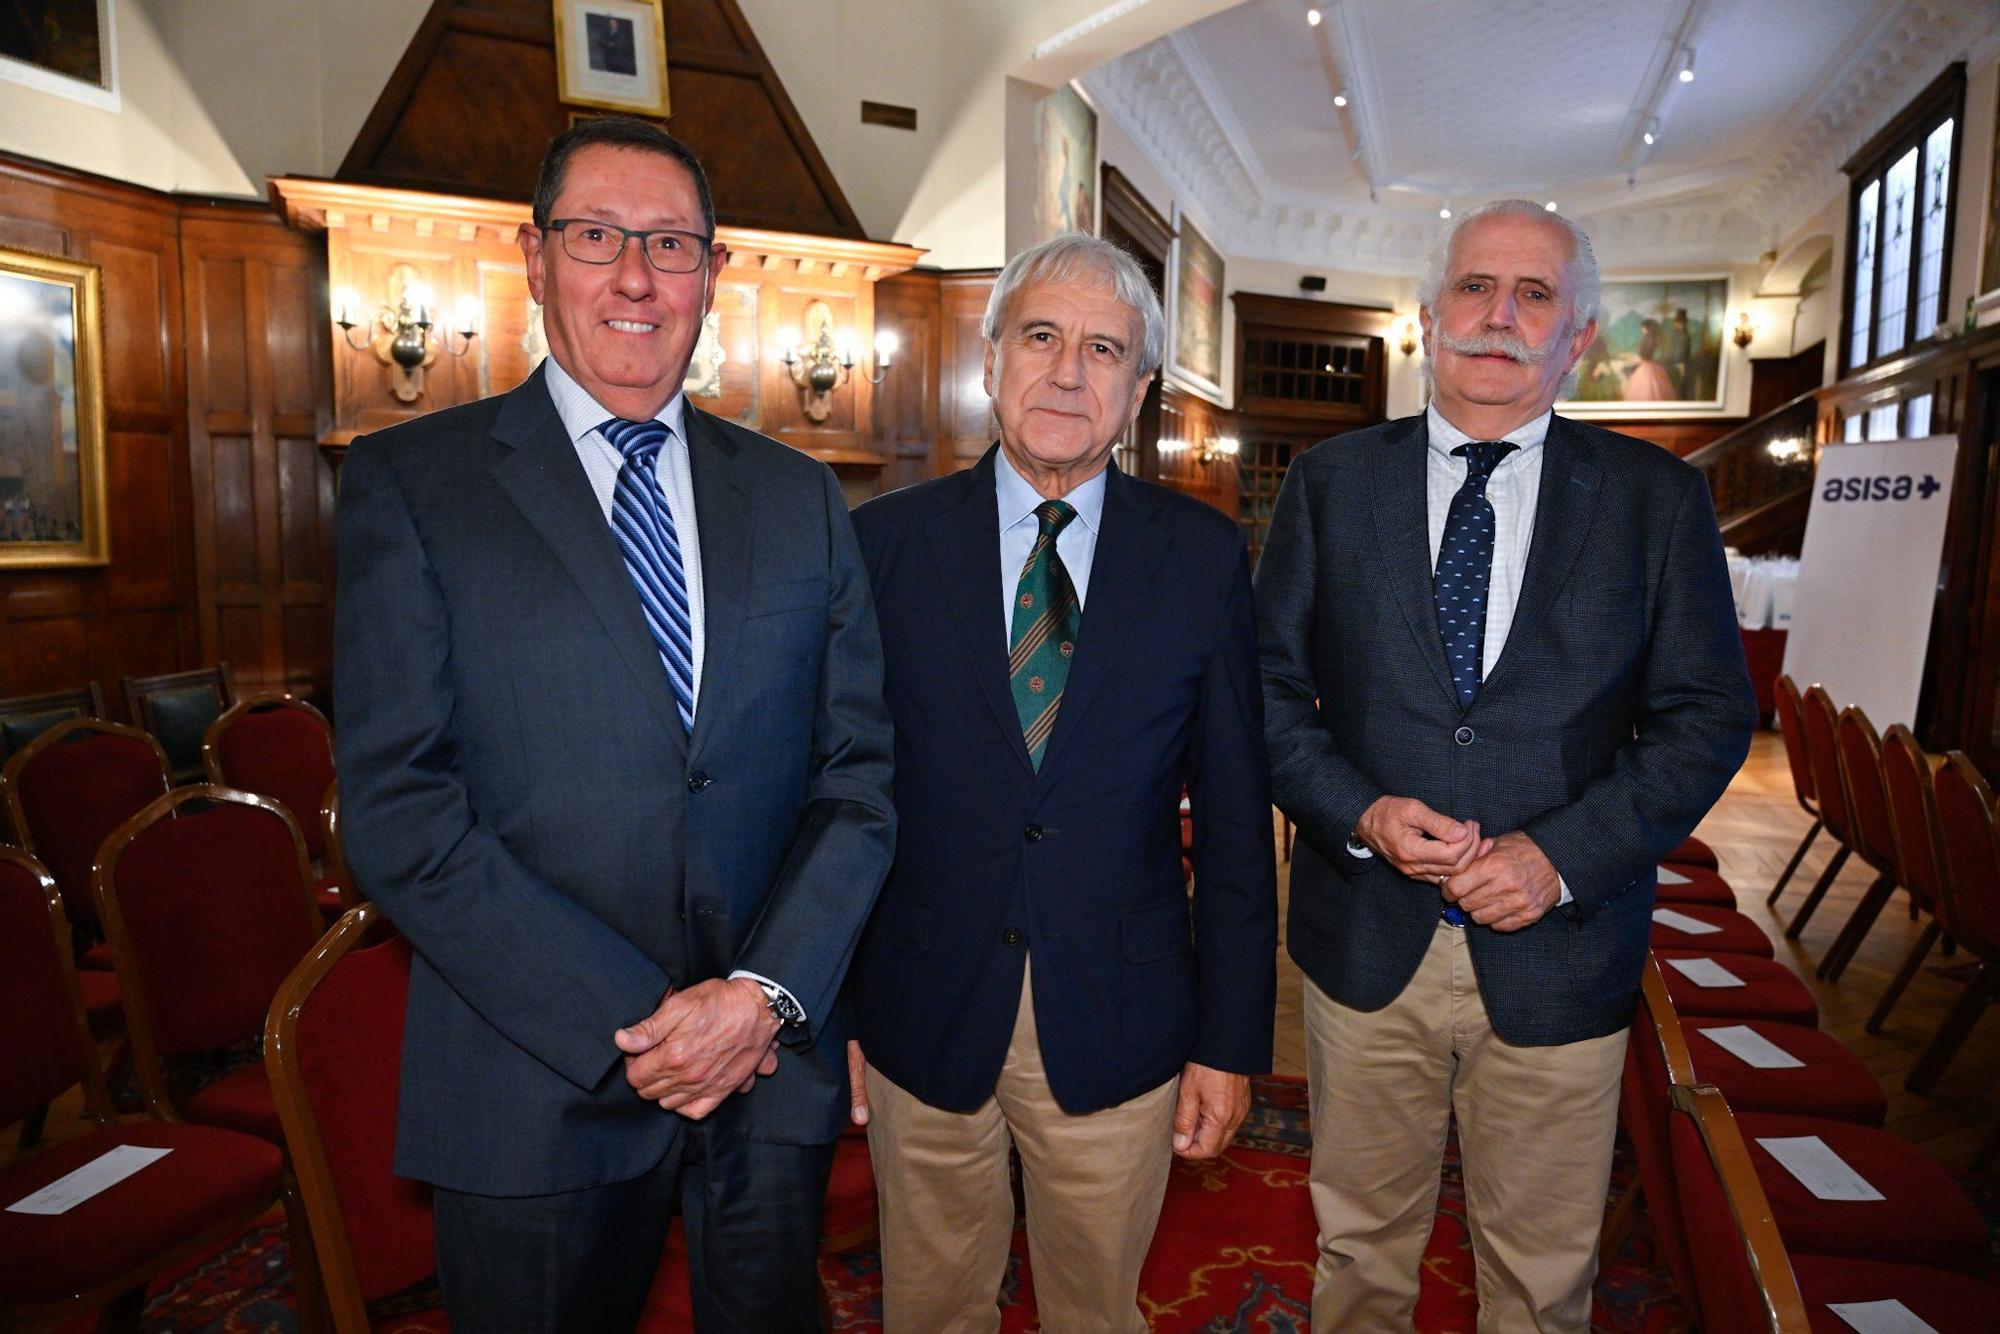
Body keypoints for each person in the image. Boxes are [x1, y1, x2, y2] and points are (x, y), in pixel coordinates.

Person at [333, 117, 895, 1333]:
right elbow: (399, 810)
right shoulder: (414, 485)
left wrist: (759, 995)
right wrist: (642, 1024)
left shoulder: (799, 497)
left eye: (670, 244)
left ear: (713, 274)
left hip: (763, 1067)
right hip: (533, 1074)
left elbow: (857, 777)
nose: (635, 276)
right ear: (534, 260)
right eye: (596, 235)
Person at [1255, 198, 1756, 1331]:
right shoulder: (1330, 482)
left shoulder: (1654, 499)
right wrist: (1359, 810)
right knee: (1358, 1252)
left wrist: (1558, 856)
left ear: (1577, 337)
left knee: (1539, 1280)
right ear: (1428, 316)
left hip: (1561, 949)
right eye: (1475, 287)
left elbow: (1705, 715)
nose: (1498, 316)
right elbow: (1266, 691)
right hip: (1364, 935)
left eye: (1534, 294)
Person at [845, 233, 1278, 1333]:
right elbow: (839, 798)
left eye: (1104, 349)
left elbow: (1237, 822)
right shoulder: (879, 545)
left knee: (1096, 1311)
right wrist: (834, 1005)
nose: (1067, 372)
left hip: (1118, 1010)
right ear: (990, 357)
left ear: (1139, 389)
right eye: (1040, 336)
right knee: (928, 1309)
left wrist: (1229, 1041)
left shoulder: (1200, 558)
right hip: (919, 1000)